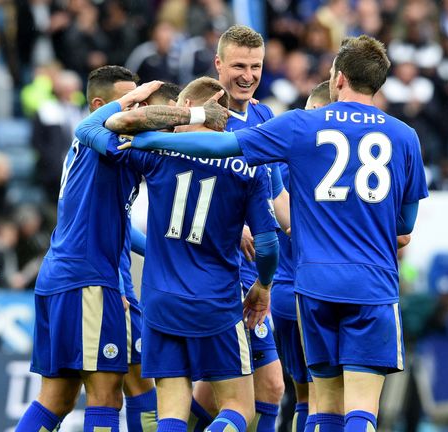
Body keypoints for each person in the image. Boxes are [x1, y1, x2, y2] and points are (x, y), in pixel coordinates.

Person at [123, 35, 429, 432]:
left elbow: (225, 147)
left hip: (312, 284)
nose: (249, 75)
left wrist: (152, 139)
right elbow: (405, 226)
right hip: (370, 284)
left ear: (338, 78)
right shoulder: (405, 137)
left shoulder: (299, 124)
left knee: (321, 405)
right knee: (361, 412)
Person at [16, 67, 225, 432]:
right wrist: (196, 115)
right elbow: (93, 127)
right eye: (131, 100)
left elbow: (121, 226)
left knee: (59, 398)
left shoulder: (102, 151)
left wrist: (157, 252)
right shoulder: (107, 141)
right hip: (89, 281)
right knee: (107, 394)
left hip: (70, 276)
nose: (139, 108)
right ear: (102, 106)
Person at [75, 77, 279, 432]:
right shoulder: (249, 165)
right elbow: (267, 245)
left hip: (160, 299)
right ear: (224, 110)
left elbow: (88, 129)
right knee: (237, 408)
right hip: (216, 300)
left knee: (171, 412)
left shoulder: (155, 152)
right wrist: (263, 286)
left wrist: (137, 102)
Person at [189, 25, 288, 432]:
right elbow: (182, 191)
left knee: (237, 393)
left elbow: (278, 198)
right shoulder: (202, 118)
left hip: (254, 271)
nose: (247, 75)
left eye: (255, 66)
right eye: (238, 66)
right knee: (257, 391)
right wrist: (229, 223)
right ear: (218, 65)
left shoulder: (265, 117)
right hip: (218, 271)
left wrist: (311, 231)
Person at [268, 81, 332, 432]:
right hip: (318, 292)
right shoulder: (336, 172)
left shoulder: (279, 163)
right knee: (326, 398)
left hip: (281, 291)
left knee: (301, 396)